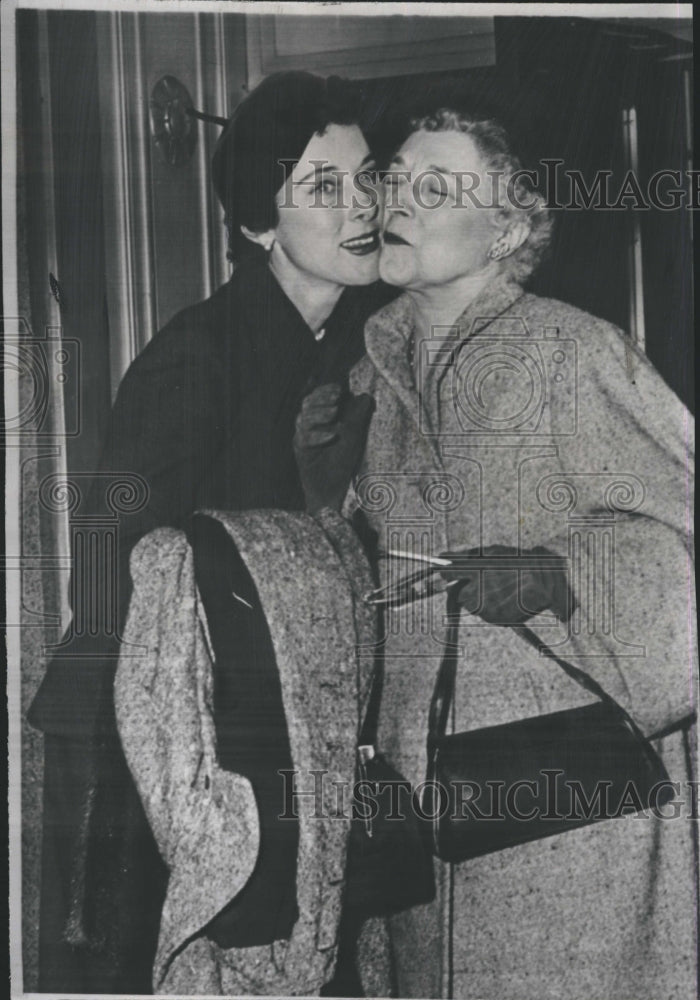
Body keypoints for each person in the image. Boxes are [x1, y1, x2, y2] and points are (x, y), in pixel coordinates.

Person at [295, 106, 697, 999]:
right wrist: (324, 497)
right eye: (393, 180)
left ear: (506, 230)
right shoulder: (369, 375)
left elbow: (683, 543)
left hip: (563, 807)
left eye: (436, 189)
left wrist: (560, 574)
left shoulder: (573, 350)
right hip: (418, 810)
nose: (397, 199)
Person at [28, 70, 393, 994]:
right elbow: (109, 562)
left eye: (367, 177)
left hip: (272, 733)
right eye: (322, 187)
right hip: (156, 750)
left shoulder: (357, 349)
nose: (361, 206)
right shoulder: (200, 353)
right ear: (256, 226)